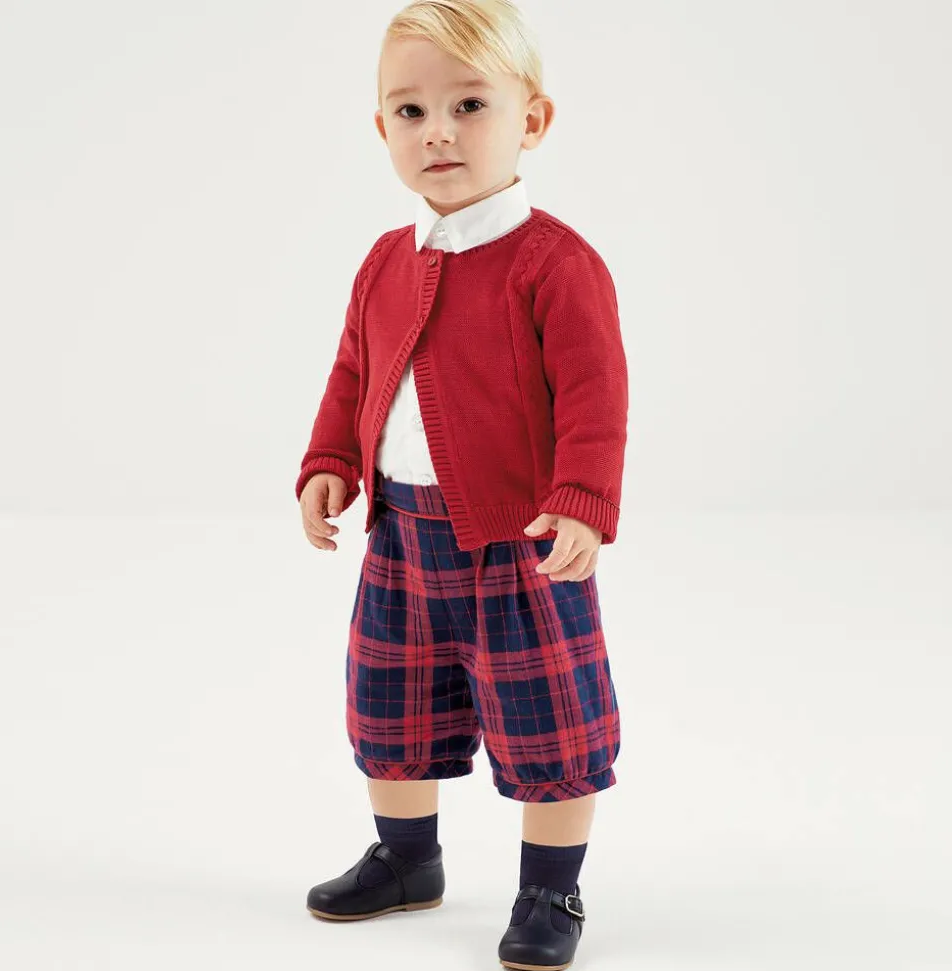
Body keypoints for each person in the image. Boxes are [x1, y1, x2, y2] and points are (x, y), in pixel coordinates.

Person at [295, 2, 628, 967]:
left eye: (469, 105)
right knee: (390, 700)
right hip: (403, 536)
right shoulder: (383, 263)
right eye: (411, 111)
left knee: (551, 717)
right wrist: (329, 462)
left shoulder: (555, 264)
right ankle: (407, 858)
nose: (437, 131)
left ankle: (551, 888)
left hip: (522, 542)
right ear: (382, 127)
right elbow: (352, 373)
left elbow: (596, 397)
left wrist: (583, 501)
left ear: (533, 120)